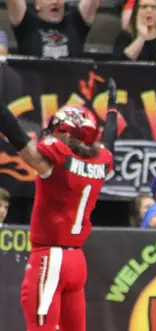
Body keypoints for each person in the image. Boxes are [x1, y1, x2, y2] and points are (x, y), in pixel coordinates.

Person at [0, 80, 119, 331]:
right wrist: (113, 111)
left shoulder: (56, 161)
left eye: (57, 129)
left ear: (67, 133)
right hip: (76, 259)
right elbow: (110, 138)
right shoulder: (102, 161)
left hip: (50, 258)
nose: (51, 133)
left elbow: (19, 138)